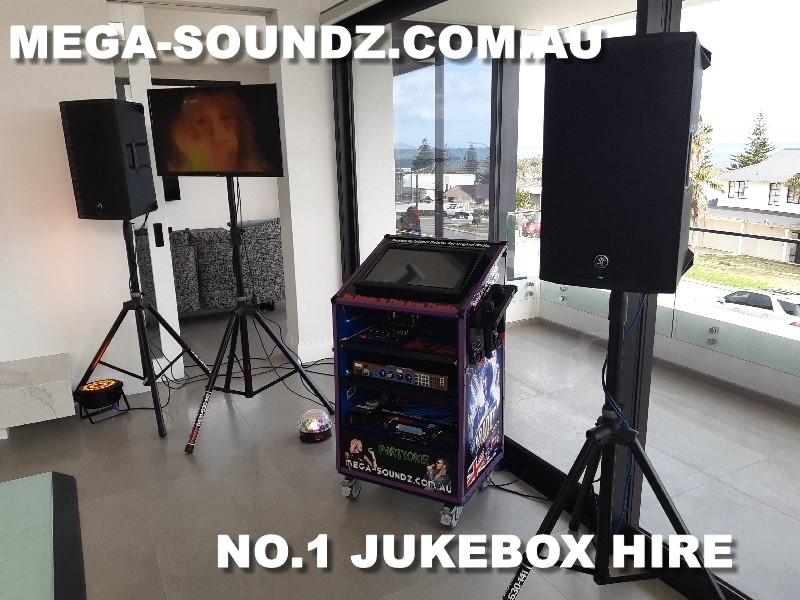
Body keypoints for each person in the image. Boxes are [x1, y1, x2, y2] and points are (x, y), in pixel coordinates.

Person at [167, 89, 269, 173]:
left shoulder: (260, 170)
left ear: (240, 122)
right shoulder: (180, 171)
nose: (216, 130)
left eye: (226, 118)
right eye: (202, 121)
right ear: (190, 128)